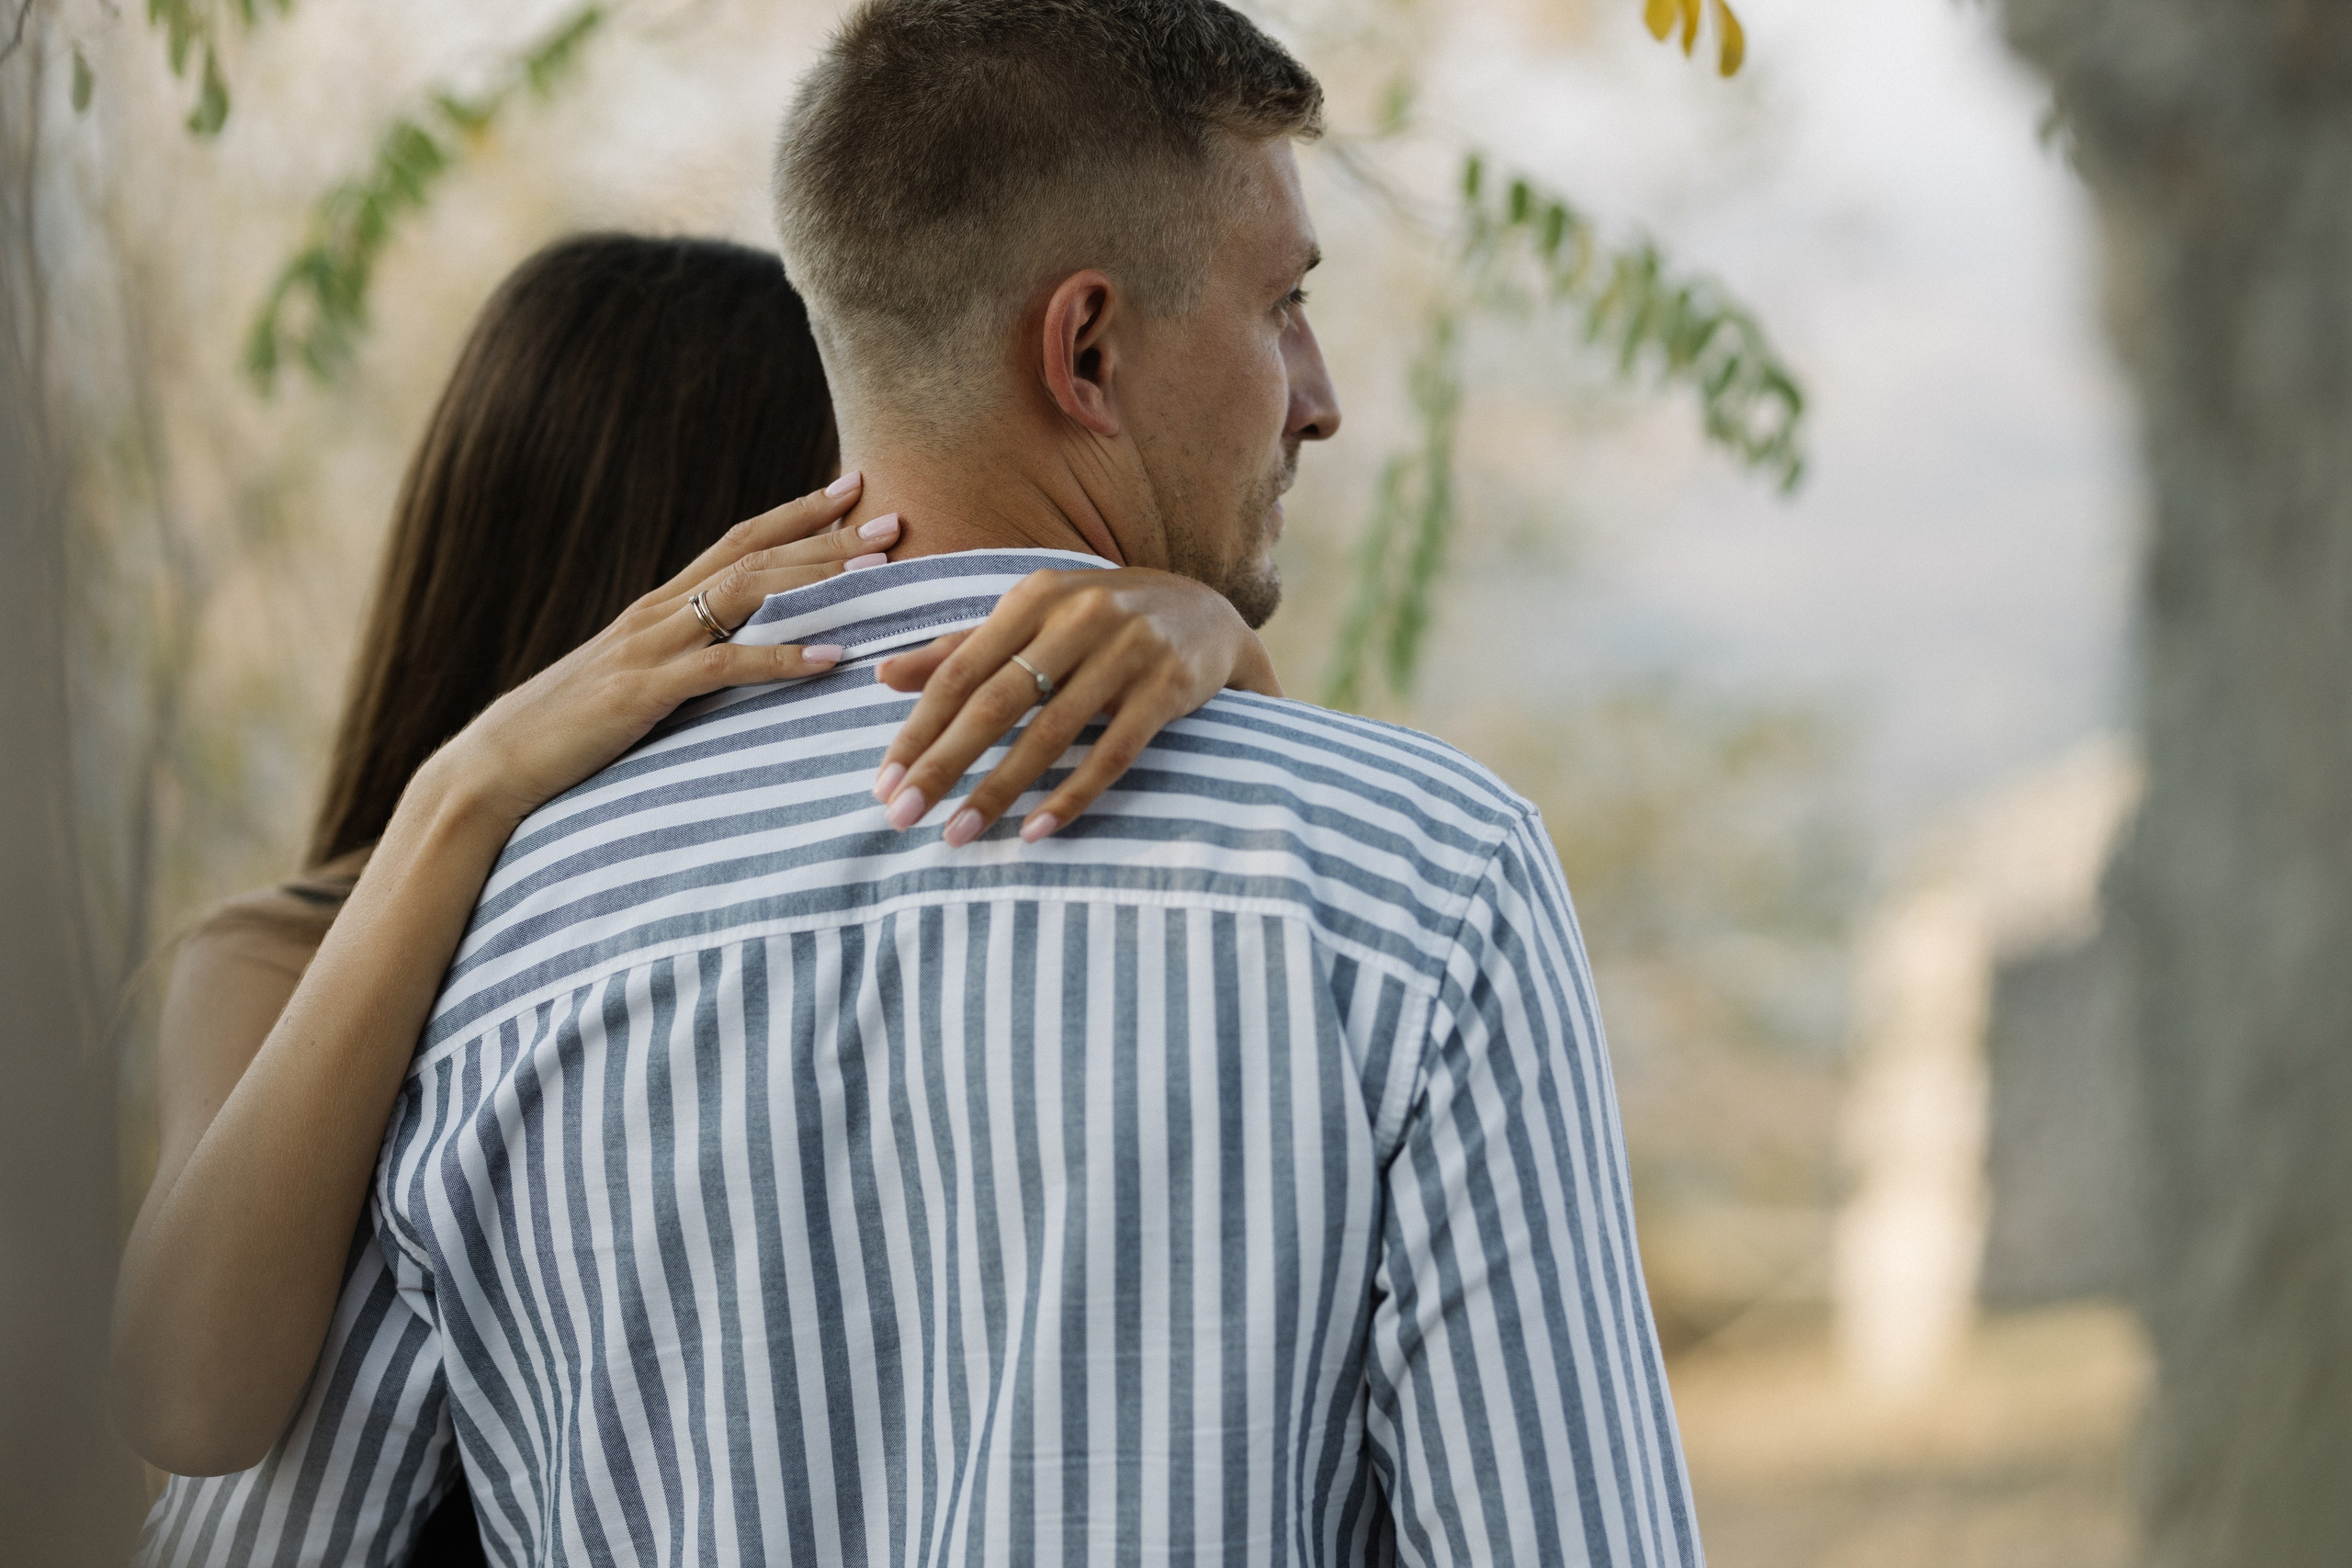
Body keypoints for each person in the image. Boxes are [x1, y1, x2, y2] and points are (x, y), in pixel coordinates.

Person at [147, 1, 1704, 1562]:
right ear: (1086, 347)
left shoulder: (467, 958)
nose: (1321, 394)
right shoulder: (1429, 884)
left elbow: (244, 1522)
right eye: (1284, 304)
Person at [121, 232, 1285, 1562]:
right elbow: (190, 1398)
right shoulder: (290, 950)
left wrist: (1213, 645)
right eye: (852, 521)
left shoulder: (848, 893)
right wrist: (467, 793)